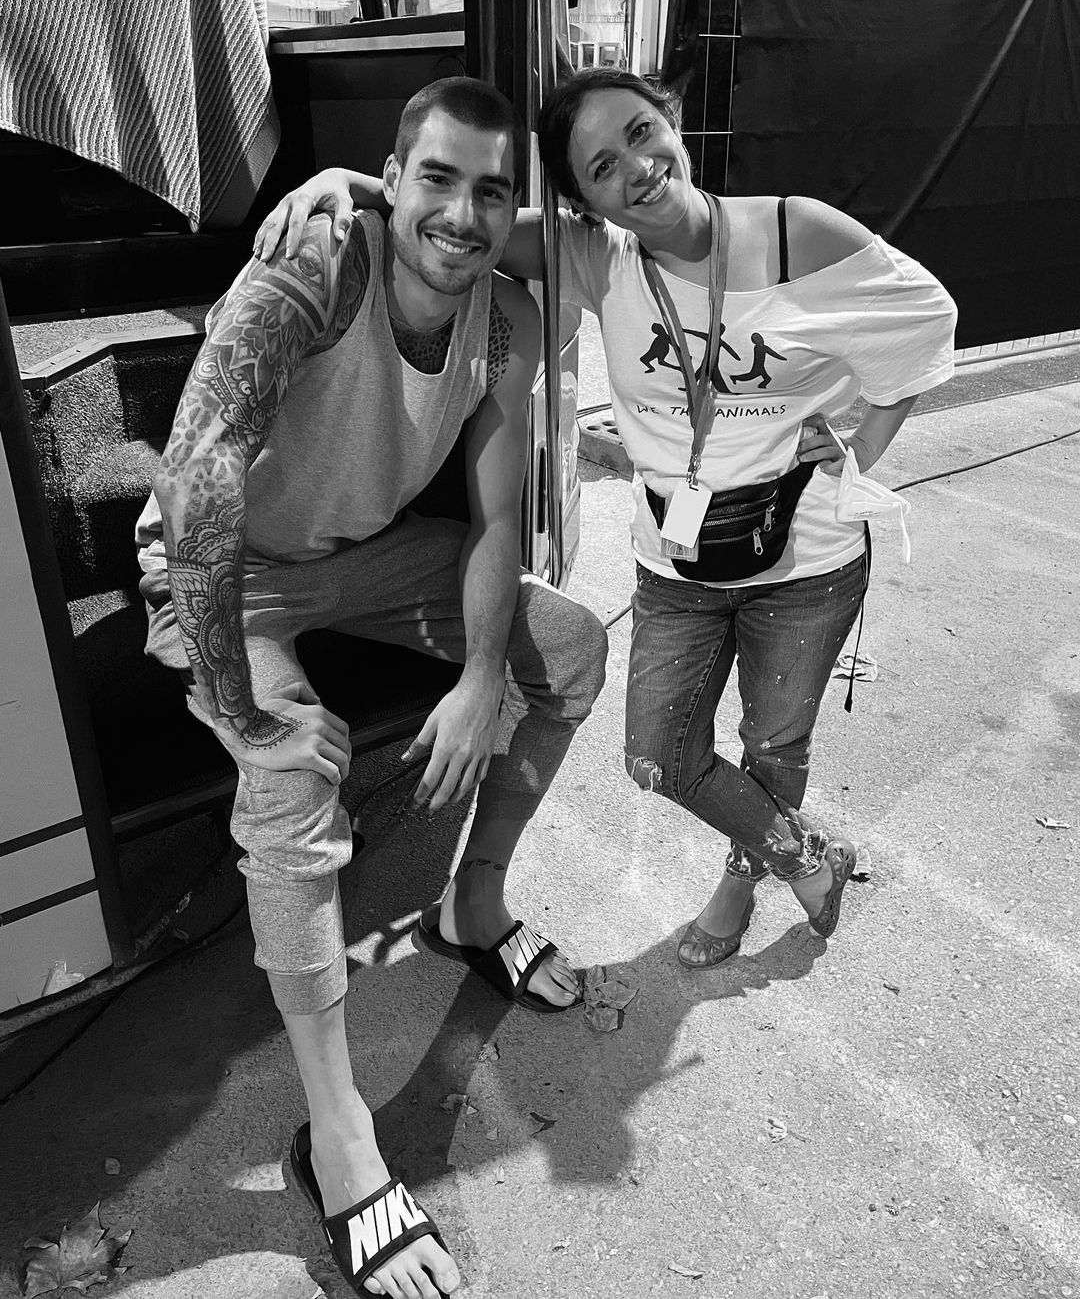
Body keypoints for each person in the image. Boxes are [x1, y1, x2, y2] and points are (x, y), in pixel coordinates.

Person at [254, 66, 956, 976]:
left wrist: (859, 441)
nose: (636, 168)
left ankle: (744, 882)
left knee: (773, 744)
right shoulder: (597, 257)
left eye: (639, 132)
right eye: (600, 167)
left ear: (671, 120)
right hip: (675, 561)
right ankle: (809, 854)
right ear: (584, 202)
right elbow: (460, 221)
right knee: (657, 755)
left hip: (805, 558)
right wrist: (340, 184)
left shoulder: (798, 231)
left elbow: (925, 318)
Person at [138, 76, 608, 1299]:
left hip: (355, 559)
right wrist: (250, 713)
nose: (462, 213)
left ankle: (474, 908)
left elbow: (498, 516)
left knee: (572, 649)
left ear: (517, 211)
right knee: (292, 772)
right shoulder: (317, 264)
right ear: (389, 182)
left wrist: (486, 672)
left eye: (492, 192)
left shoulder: (505, 321)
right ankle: (341, 1136)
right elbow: (197, 485)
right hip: (216, 571)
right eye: (435, 179)